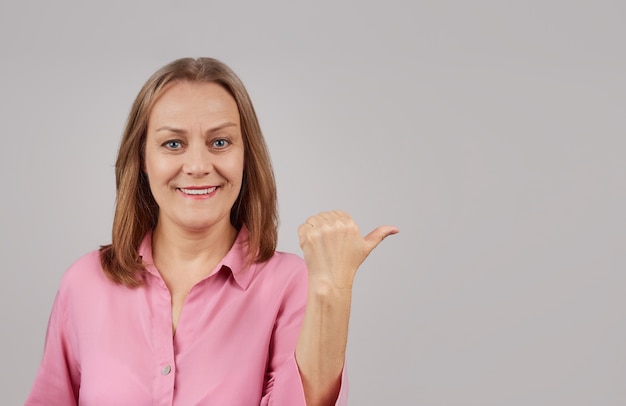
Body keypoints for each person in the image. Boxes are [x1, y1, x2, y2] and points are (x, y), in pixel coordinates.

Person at [25, 57, 398, 405]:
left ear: (245, 155)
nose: (199, 165)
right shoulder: (84, 284)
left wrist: (330, 290)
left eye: (220, 142)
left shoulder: (290, 285)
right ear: (141, 157)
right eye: (173, 144)